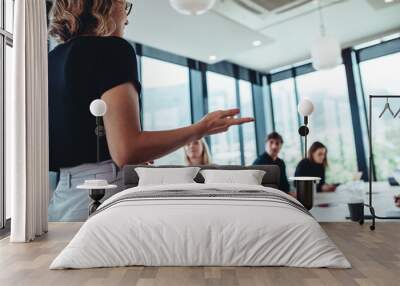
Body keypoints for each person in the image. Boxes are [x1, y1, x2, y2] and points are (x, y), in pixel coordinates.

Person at [47, 0, 254, 221]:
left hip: (62, 196)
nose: (126, 17)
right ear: (104, 6)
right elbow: (127, 151)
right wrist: (201, 128)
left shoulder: (51, 60)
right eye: (123, 5)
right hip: (106, 190)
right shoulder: (113, 50)